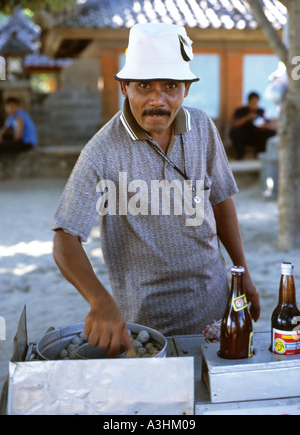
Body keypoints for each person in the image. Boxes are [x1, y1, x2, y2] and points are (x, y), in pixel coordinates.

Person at [52, 23, 260, 356]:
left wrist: (242, 273)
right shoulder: (102, 151)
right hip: (143, 325)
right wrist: (99, 299)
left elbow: (221, 201)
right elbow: (65, 236)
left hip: (213, 304)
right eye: (144, 85)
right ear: (124, 87)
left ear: (186, 90)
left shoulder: (203, 128)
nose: (157, 99)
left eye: (171, 86)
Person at [229, 92, 276, 159]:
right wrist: (247, 117)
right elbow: (234, 124)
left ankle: (260, 154)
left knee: (271, 132)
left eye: (256, 102)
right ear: (249, 101)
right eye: (253, 102)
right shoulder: (240, 111)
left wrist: (263, 126)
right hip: (244, 136)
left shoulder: (261, 111)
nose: (255, 104)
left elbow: (267, 123)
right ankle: (240, 154)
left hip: (257, 136)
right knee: (234, 131)